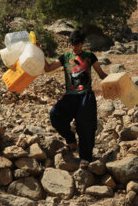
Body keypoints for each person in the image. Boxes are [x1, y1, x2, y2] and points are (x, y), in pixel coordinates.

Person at [43, 29, 108, 168]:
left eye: (77, 44)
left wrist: (118, 81)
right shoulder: (64, 57)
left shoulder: (90, 57)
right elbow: (48, 68)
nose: (75, 47)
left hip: (86, 96)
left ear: (83, 43)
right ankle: (71, 142)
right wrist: (39, 53)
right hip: (70, 96)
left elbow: (102, 75)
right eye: (72, 44)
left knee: (86, 126)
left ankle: (86, 157)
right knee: (55, 114)